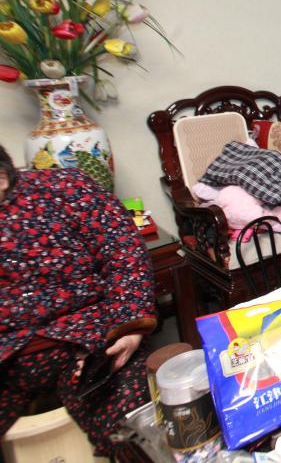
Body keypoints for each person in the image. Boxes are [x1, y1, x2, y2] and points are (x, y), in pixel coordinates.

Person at [0, 144, 157, 456]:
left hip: (90, 339)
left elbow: (123, 252)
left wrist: (130, 326)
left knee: (135, 432)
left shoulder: (67, 188)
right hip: (8, 357)